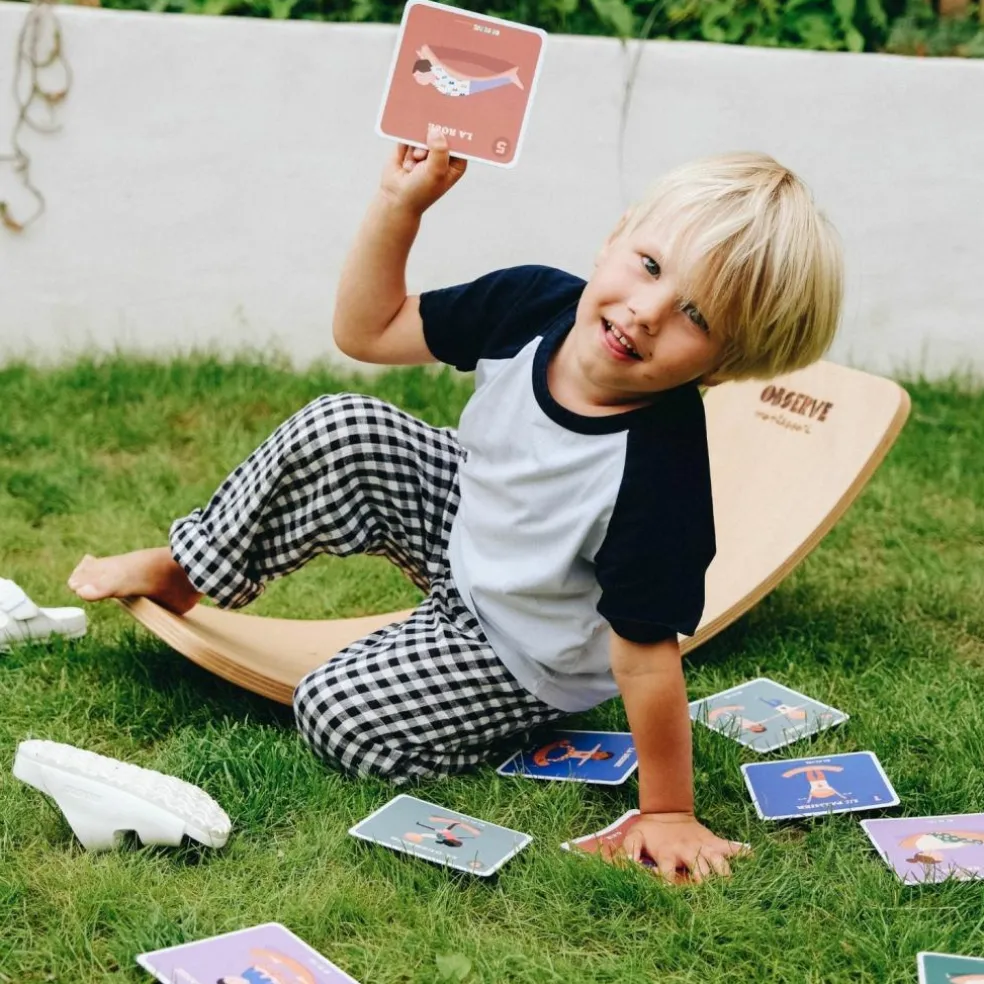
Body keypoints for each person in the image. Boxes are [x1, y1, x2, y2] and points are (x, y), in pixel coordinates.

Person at [67, 125, 843, 884]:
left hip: (524, 647)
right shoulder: (536, 303)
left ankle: (473, 696)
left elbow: (645, 654)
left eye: (696, 317)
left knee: (336, 713)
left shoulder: (658, 471)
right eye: (648, 266)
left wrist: (667, 810)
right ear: (616, 236)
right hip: (466, 527)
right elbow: (366, 331)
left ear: (724, 364)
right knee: (345, 425)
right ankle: (190, 567)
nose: (647, 311)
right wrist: (400, 205)